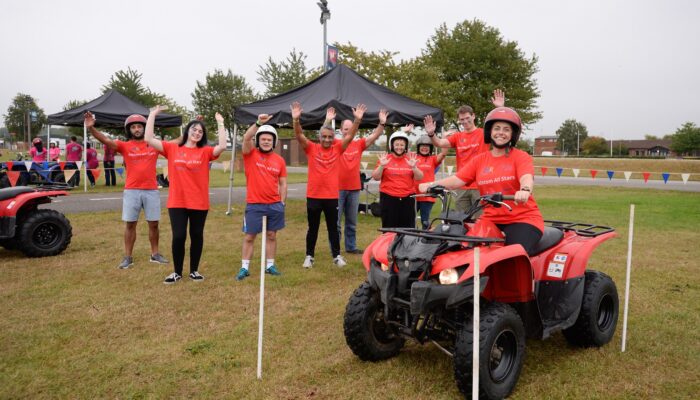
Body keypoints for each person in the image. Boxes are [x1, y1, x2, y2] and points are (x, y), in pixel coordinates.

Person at [419, 107, 544, 255]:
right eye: (497, 128)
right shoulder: (480, 160)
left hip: (522, 219)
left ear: (513, 134)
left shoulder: (520, 156)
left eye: (506, 129)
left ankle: (528, 278)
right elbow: (457, 180)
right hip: (490, 219)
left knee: (513, 255)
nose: (501, 133)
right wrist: (430, 185)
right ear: (490, 132)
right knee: (464, 249)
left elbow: (526, 177)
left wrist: (524, 190)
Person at [145, 105, 227, 284]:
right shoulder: (172, 149)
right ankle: (177, 272)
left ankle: (194, 271)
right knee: (179, 236)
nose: (197, 133)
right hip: (177, 202)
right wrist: (152, 114)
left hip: (199, 202)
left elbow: (222, 145)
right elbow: (149, 138)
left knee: (197, 235)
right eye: (194, 129)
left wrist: (220, 123)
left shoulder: (205, 152)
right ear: (188, 131)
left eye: (200, 131)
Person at [84, 111, 169, 269]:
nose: (137, 129)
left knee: (154, 225)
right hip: (132, 191)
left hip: (151, 190)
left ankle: (155, 254)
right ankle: (128, 257)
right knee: (130, 224)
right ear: (129, 130)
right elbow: (105, 139)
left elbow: (177, 143)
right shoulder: (124, 145)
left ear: (145, 128)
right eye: (133, 127)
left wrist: (192, 129)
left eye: (139, 126)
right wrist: (91, 129)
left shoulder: (154, 144)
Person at [292, 101, 366, 268]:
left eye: (330, 137)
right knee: (313, 228)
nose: (327, 139)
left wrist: (357, 121)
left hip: (332, 196)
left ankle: (337, 256)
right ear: (320, 137)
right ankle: (309, 256)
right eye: (324, 136)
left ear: (334, 138)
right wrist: (296, 121)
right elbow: (299, 136)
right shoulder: (311, 148)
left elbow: (350, 136)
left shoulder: (338, 149)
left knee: (334, 228)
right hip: (314, 196)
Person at [426, 89, 505, 216]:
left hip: (481, 185)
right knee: (461, 221)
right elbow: (440, 143)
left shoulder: (484, 133)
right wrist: (431, 133)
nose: (465, 121)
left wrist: (500, 109)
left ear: (473, 116)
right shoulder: (457, 136)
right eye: (462, 119)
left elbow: (501, 129)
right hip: (461, 186)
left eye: (467, 118)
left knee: (480, 220)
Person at [235, 114, 287, 281]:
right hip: (254, 204)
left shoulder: (279, 161)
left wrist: (282, 202)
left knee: (272, 235)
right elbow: (246, 137)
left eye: (269, 140)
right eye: (263, 139)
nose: (266, 142)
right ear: (258, 140)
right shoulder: (250, 154)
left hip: (274, 205)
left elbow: (283, 183)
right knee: (250, 236)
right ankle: (244, 268)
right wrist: (258, 123)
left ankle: (270, 265)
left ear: (274, 142)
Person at [329, 107, 387, 255]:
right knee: (335, 223)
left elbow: (375, 136)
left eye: (350, 128)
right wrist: (328, 120)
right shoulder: (335, 143)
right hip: (337, 189)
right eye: (345, 128)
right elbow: (325, 133)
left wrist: (381, 123)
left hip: (354, 188)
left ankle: (351, 247)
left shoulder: (359, 144)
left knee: (352, 222)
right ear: (341, 130)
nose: (348, 131)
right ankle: (335, 249)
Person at [371, 130, 423, 228]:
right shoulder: (385, 159)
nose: (399, 147)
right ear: (392, 145)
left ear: (406, 146)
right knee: (389, 228)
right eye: (397, 144)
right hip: (388, 198)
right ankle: (390, 244)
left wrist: (414, 167)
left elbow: (420, 177)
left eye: (402, 145)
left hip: (407, 198)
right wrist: (382, 166)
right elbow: (376, 177)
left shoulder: (410, 159)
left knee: (407, 229)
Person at [414, 133, 448, 229]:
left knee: (425, 221)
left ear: (430, 148)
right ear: (418, 147)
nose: (424, 148)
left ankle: (426, 240)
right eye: (422, 146)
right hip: (413, 195)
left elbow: (444, 153)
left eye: (427, 146)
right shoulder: (414, 158)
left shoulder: (433, 159)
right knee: (410, 220)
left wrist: (444, 138)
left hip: (427, 196)